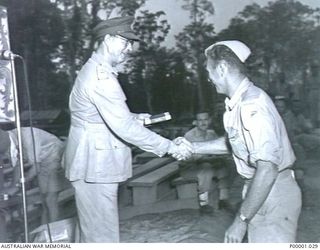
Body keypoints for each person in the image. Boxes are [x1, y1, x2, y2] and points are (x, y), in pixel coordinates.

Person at [63, 16, 192, 243]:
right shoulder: (101, 78)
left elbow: (99, 115)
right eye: (125, 42)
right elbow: (123, 127)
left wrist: (134, 118)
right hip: (95, 164)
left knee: (93, 229)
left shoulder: (95, 69)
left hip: (91, 159)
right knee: (102, 235)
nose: (129, 49)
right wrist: (170, 147)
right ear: (108, 40)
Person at [189, 40, 302, 243]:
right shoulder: (238, 103)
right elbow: (236, 144)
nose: (208, 78)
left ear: (222, 68)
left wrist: (241, 220)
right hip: (259, 191)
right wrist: (193, 147)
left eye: (209, 71)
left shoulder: (252, 107)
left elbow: (267, 168)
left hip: (272, 192)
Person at [0, 127, 67, 224]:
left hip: (55, 155)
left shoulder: (27, 136)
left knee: (50, 199)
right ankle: (44, 231)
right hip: (42, 160)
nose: (6, 154)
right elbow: (17, 164)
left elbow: (36, 168)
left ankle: (54, 233)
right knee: (44, 201)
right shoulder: (10, 137)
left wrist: (18, 185)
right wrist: (12, 186)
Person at [179, 110, 231, 213]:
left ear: (210, 120)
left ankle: (223, 200)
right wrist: (209, 156)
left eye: (206, 119)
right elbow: (189, 159)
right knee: (206, 168)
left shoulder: (211, 134)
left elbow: (218, 153)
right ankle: (204, 204)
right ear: (195, 122)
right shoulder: (189, 136)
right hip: (188, 169)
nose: (203, 123)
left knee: (225, 166)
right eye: (200, 120)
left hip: (208, 165)